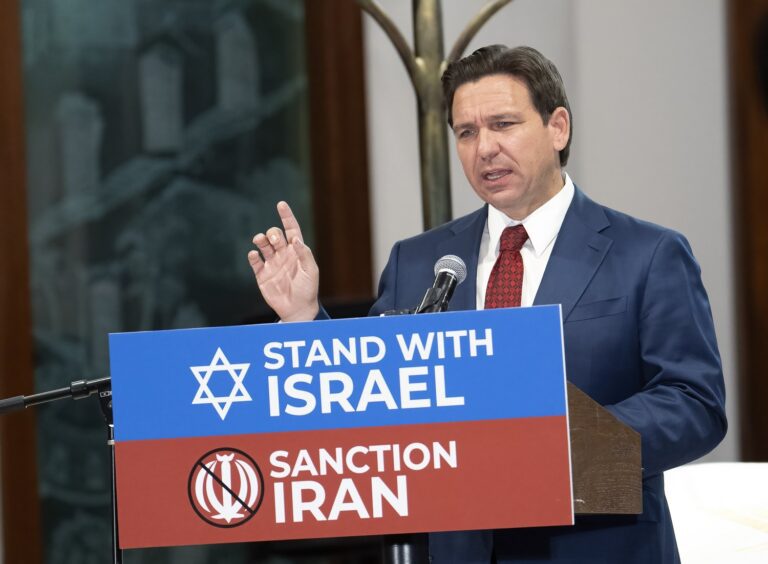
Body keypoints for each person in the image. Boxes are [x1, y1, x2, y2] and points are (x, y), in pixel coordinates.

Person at [247, 45, 727, 564]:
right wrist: (302, 317)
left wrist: (555, 450)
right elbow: (371, 404)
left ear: (557, 127)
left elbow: (694, 402)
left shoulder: (648, 253)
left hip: (599, 544)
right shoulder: (420, 260)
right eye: (467, 132)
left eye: (503, 124)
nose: (484, 149)